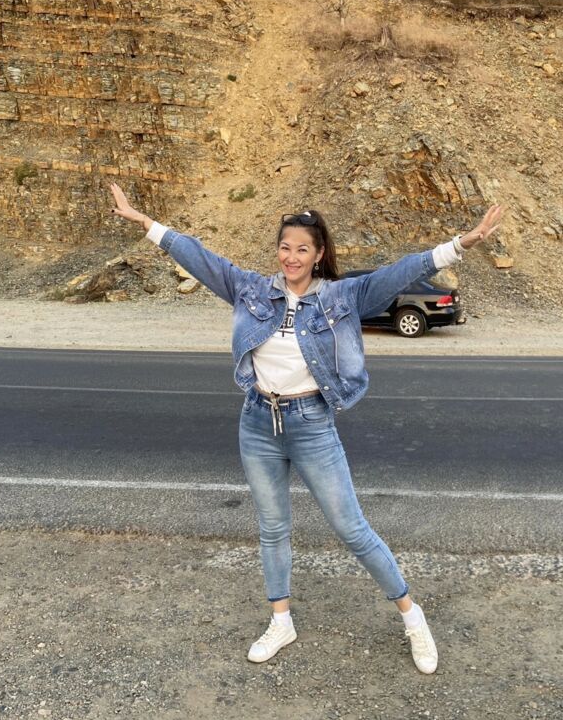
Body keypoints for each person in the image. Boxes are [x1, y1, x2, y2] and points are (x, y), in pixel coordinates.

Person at [109, 182, 502, 673]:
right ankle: (281, 621)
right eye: (284, 247)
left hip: (312, 425)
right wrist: (145, 222)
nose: (290, 257)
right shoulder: (251, 289)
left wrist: (461, 243)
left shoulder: (343, 295)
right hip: (258, 422)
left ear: (318, 255)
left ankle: (412, 616)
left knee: (352, 529)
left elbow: (402, 271)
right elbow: (199, 257)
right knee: (273, 528)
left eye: (301, 249)